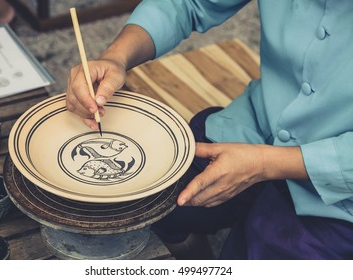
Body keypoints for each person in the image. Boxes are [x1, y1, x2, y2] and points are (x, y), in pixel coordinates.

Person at [66, 0, 353, 259]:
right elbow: (188, 3)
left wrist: (265, 164)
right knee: (137, 201)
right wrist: (116, 57)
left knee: (265, 246)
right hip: (254, 126)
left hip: (341, 198)